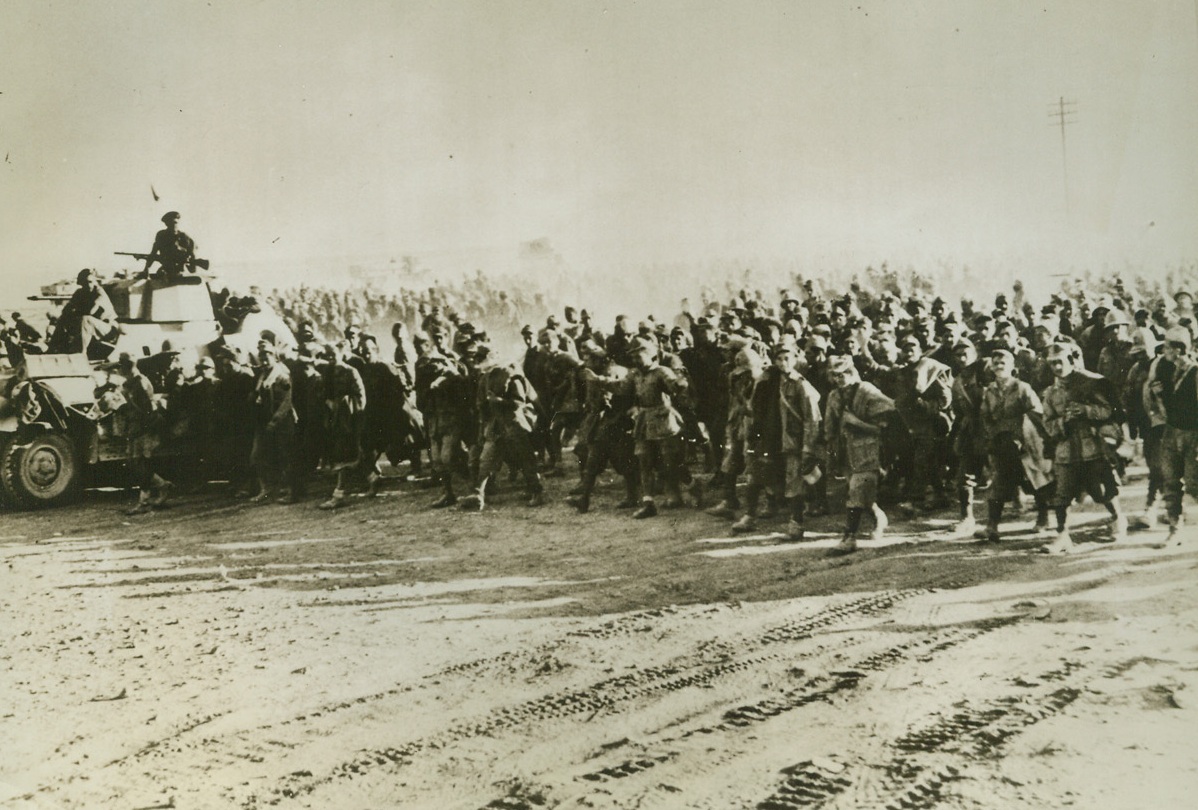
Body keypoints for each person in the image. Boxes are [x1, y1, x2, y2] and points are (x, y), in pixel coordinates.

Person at [728, 341, 822, 541]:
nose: (782, 362)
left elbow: (812, 419)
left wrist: (808, 447)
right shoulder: (766, 380)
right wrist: (753, 436)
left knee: (793, 482)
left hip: (792, 441)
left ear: (795, 359)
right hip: (768, 439)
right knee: (755, 476)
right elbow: (755, 409)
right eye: (778, 358)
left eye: (786, 358)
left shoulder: (800, 384)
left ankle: (796, 523)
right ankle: (749, 516)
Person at [1040, 341, 1126, 553]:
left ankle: (1118, 519)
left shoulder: (1091, 383)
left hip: (1092, 446)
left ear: (1070, 359)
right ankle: (1062, 536)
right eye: (1052, 364)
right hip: (1066, 449)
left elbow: (1108, 411)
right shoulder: (1051, 393)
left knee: (1102, 490)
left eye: (1060, 362)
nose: (1057, 368)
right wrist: (1062, 423)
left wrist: (1086, 410)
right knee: (1062, 494)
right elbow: (1048, 423)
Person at [824, 355, 895, 555]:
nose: (839, 379)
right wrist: (831, 450)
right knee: (861, 492)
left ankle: (850, 537)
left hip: (869, 449)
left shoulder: (867, 391)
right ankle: (879, 518)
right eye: (835, 376)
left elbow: (884, 426)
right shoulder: (834, 396)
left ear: (852, 372)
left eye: (843, 374)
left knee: (856, 491)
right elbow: (830, 427)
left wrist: (855, 422)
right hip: (846, 451)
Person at [979, 349, 1046, 542]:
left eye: (1003, 363)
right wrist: (992, 437)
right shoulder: (989, 391)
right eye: (996, 363)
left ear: (1012, 367)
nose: (999, 367)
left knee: (1034, 480)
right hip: (1002, 444)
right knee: (999, 482)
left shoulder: (1022, 388)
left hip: (1023, 443)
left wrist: (1023, 436)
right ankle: (992, 526)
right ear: (991, 367)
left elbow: (1036, 413)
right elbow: (986, 416)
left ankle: (1043, 518)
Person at [1147, 325, 1198, 547]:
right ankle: (1174, 529)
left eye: (1168, 346)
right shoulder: (1164, 370)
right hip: (1171, 432)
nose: (1164, 350)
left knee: (1194, 483)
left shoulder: (1195, 372)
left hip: (1193, 435)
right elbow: (1157, 402)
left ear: (1179, 349)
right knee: (1170, 483)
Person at [114, 352, 174, 514]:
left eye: (121, 365)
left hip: (144, 429)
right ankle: (162, 486)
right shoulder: (130, 383)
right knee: (135, 464)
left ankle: (145, 501)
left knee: (142, 465)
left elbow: (150, 410)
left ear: (128, 366)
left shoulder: (140, 383)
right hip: (135, 428)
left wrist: (144, 431)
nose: (119, 369)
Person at [47, 269, 117, 357]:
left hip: (108, 331)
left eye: (91, 282)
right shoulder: (79, 293)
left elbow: (91, 311)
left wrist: (75, 312)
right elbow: (66, 311)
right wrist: (67, 316)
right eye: (85, 282)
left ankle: (81, 354)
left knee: (85, 319)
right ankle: (52, 349)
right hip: (91, 328)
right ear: (81, 283)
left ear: (95, 281)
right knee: (63, 319)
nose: (89, 285)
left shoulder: (99, 293)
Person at [143, 211, 197, 280]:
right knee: (161, 275)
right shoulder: (161, 235)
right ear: (166, 224)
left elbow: (192, 257)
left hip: (181, 269)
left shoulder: (184, 237)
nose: (174, 225)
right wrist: (146, 269)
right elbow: (153, 254)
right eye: (170, 223)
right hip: (166, 269)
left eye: (175, 223)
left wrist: (181, 251)